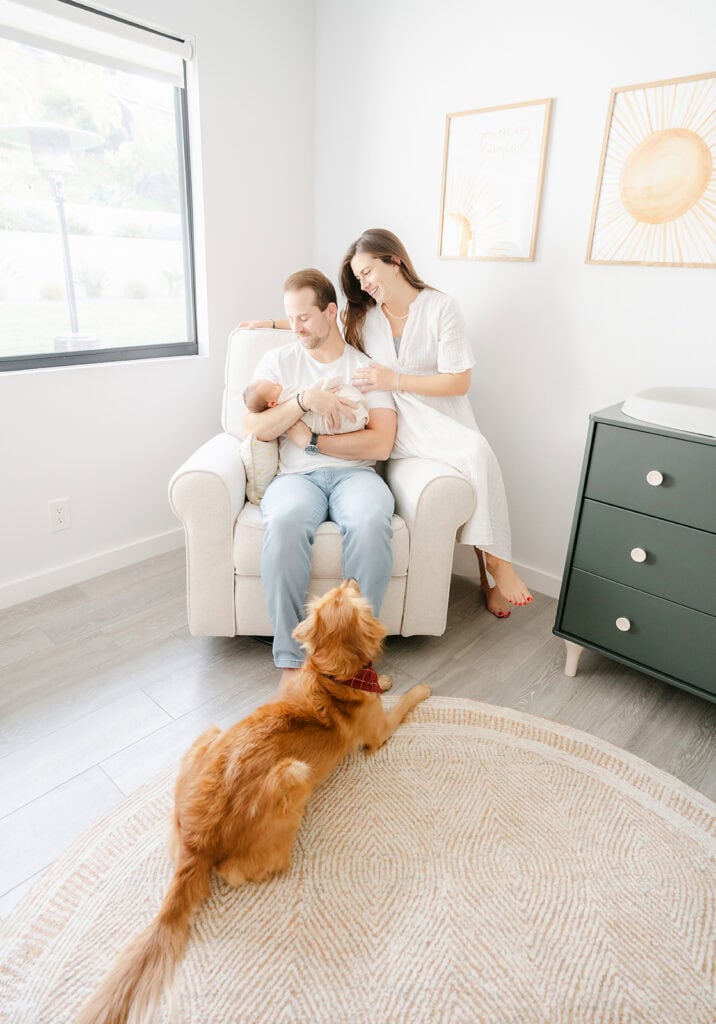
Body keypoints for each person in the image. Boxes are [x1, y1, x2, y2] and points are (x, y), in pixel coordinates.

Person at [340, 228, 531, 616]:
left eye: (368, 272)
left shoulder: (441, 307)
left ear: (394, 261)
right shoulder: (363, 316)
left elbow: (459, 381)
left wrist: (395, 380)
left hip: (443, 418)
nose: (364, 284)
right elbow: (320, 323)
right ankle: (497, 565)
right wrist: (270, 324)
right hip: (396, 422)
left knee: (476, 454)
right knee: (476, 452)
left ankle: (492, 571)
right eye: (358, 278)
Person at [242, 268, 397, 685]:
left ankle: (356, 662)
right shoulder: (279, 361)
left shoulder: (364, 368)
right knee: (287, 520)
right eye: (290, 318)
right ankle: (293, 662)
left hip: (355, 475)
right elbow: (256, 426)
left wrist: (310, 439)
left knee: (369, 520)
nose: (295, 327)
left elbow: (380, 444)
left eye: (304, 317)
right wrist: (303, 399)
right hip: (295, 479)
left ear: (330, 312)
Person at [243, 376, 370, 434]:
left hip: (355, 468)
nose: (277, 382)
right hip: (298, 473)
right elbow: (250, 428)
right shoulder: (283, 398)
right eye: (273, 386)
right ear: (272, 404)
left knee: (342, 399)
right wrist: (308, 398)